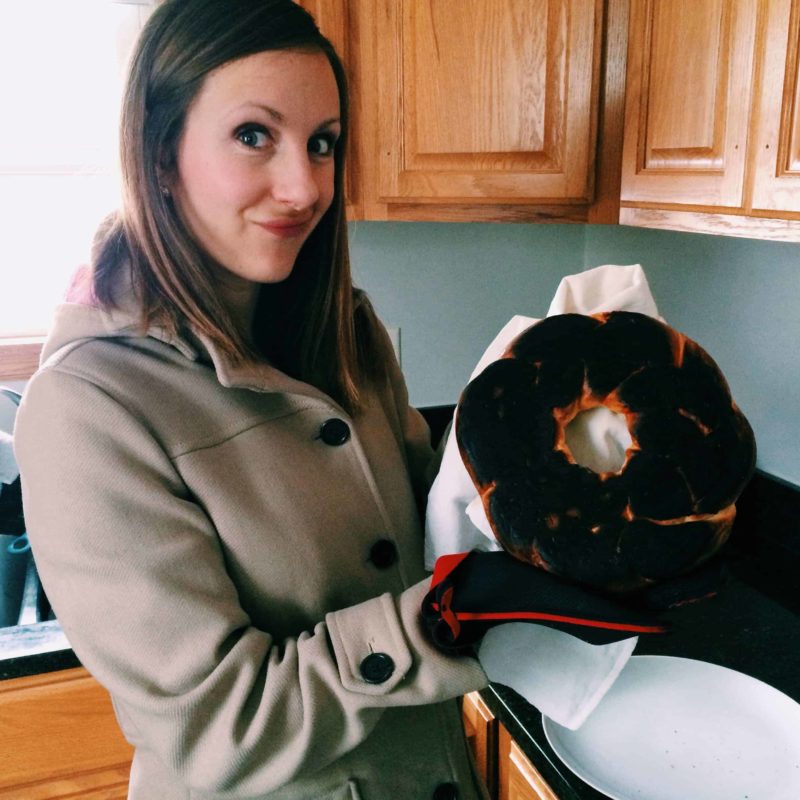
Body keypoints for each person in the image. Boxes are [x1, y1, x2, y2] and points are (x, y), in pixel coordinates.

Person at [14, 1, 490, 798]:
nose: (305, 186)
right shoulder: (88, 408)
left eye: (323, 143)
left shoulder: (349, 333)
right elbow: (218, 727)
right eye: (253, 135)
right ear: (161, 154)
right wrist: (452, 620)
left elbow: (420, 518)